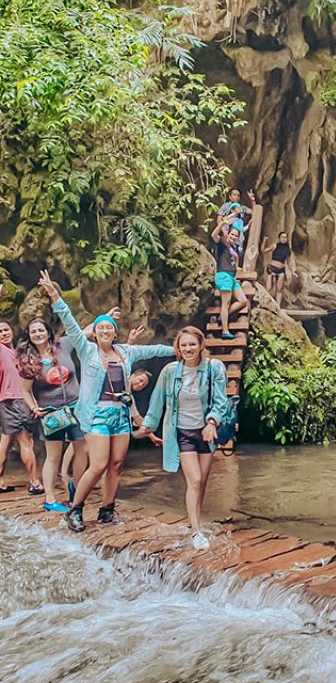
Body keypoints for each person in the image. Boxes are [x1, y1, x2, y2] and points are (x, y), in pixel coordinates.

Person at [38, 270, 175, 533]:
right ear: (96, 333)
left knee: (116, 464)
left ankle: (107, 509)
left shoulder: (126, 352)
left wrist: (177, 350)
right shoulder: (87, 349)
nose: (104, 331)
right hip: (97, 414)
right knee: (98, 463)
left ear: (114, 334)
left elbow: (155, 350)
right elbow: (70, 322)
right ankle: (75, 509)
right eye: (100, 328)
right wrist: (55, 296)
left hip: (120, 415)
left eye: (108, 328)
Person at [135, 326, 228, 549]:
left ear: (201, 345)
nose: (188, 348)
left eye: (192, 344)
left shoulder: (214, 368)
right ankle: (196, 531)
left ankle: (196, 521)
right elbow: (157, 399)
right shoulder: (170, 371)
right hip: (181, 432)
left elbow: (220, 400)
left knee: (202, 483)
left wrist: (212, 422)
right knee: (194, 480)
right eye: (183, 345)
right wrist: (148, 426)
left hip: (205, 432)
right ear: (178, 347)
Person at [18, 318, 88, 512]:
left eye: (41, 330)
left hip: (76, 407)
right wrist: (34, 408)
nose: (38, 334)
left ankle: (77, 489)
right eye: (34, 332)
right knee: (53, 456)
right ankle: (50, 499)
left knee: (82, 449)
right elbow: (25, 391)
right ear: (30, 337)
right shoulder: (29, 361)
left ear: (48, 332)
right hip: (51, 413)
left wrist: (104, 319)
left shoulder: (64, 345)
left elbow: (85, 332)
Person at [0, 299, 43, 495]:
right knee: (26, 441)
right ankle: (34, 482)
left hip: (14, 400)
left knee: (6, 440)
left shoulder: (13, 351)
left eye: (6, 330)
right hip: (12, 400)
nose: (4, 333)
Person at [211, 221, 248, 340]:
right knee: (225, 304)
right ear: (228, 234)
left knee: (243, 301)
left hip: (232, 278)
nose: (233, 237)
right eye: (232, 234)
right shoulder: (223, 242)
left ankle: (222, 317)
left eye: (236, 235)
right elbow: (213, 235)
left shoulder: (233, 248)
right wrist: (222, 224)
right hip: (223, 276)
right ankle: (225, 331)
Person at [266, 232, 292, 307]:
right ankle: (268, 305)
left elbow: (289, 262)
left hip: (281, 270)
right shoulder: (275, 245)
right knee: (269, 288)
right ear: (279, 238)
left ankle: (278, 306)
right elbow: (264, 250)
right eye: (282, 237)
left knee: (279, 289)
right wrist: (265, 241)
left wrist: (291, 271)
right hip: (272, 268)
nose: (283, 239)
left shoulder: (287, 249)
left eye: (285, 237)